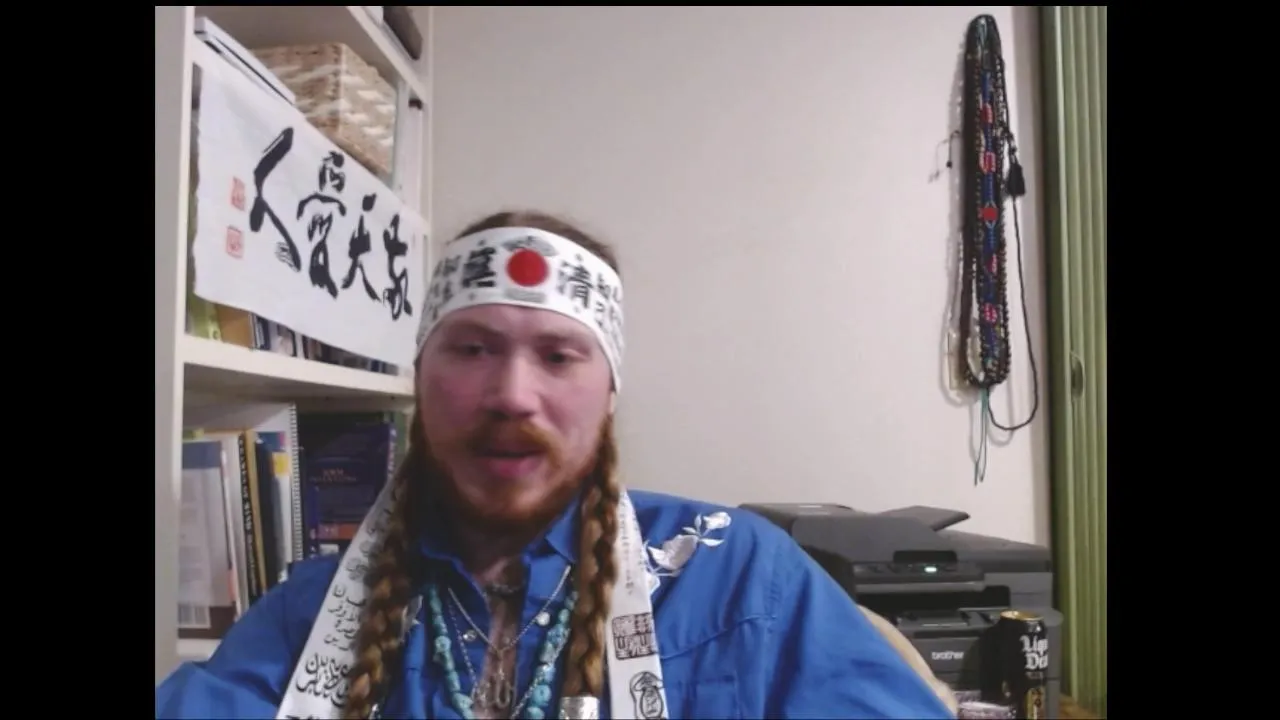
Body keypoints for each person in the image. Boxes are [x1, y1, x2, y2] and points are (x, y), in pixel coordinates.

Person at [155, 211, 957, 720]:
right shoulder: (314, 612)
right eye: (473, 349)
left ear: (608, 391)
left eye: (558, 355)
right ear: (420, 380)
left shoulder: (735, 575)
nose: (511, 394)